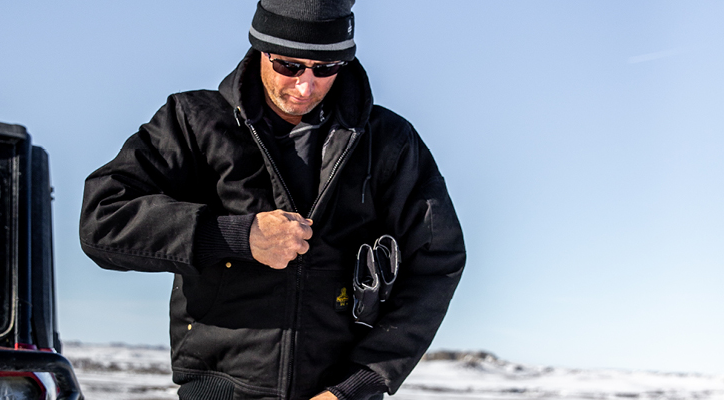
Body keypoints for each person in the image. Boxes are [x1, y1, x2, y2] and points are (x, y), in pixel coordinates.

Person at [79, 1, 466, 399]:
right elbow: (102, 220)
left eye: (325, 69)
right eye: (289, 66)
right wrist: (235, 236)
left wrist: (359, 383)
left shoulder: (390, 142)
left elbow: (438, 260)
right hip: (219, 390)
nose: (305, 86)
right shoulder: (192, 121)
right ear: (261, 49)